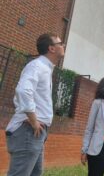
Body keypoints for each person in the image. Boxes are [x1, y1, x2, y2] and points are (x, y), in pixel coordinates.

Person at [5, 33, 65, 176]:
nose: (63, 46)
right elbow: (23, 91)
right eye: (60, 43)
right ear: (51, 48)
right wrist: (34, 121)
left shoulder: (46, 68)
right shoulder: (37, 66)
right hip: (29, 131)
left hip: (35, 133)